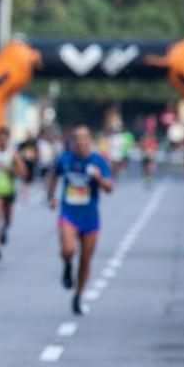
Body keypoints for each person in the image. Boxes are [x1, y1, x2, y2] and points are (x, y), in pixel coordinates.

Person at [47, 125, 114, 315]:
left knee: (85, 259)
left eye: (84, 138)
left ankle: (78, 295)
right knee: (68, 249)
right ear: (71, 141)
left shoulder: (98, 161)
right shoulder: (65, 158)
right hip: (69, 213)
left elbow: (109, 188)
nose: (80, 142)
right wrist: (51, 196)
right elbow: (54, 176)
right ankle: (67, 265)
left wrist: (99, 178)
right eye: (76, 138)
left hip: (90, 217)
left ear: (90, 140)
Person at [0, 127, 27, 261]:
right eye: (0, 137)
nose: (2, 140)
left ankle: (4, 230)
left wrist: (10, 169)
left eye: (5, 138)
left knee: (8, 219)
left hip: (9, 190)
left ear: (8, 139)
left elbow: (23, 173)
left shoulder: (13, 154)